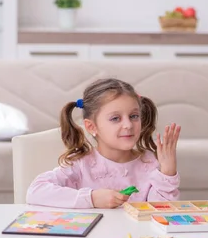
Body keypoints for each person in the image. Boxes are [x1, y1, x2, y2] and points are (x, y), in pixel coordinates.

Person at [27, 78, 181, 209]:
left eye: (134, 116)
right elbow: (36, 191)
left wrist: (167, 172)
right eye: (115, 118)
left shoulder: (150, 163)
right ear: (91, 127)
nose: (128, 125)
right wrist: (92, 199)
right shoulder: (81, 164)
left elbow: (161, 211)